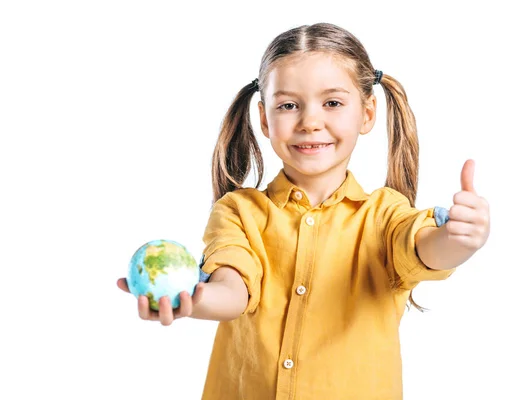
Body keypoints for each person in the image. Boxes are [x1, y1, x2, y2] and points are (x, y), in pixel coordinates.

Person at [117, 22, 490, 400]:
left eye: (332, 102)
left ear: (367, 113)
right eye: (288, 105)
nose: (310, 122)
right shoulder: (238, 212)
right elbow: (233, 288)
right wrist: (193, 299)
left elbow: (426, 248)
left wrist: (458, 238)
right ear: (265, 119)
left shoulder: (385, 215)